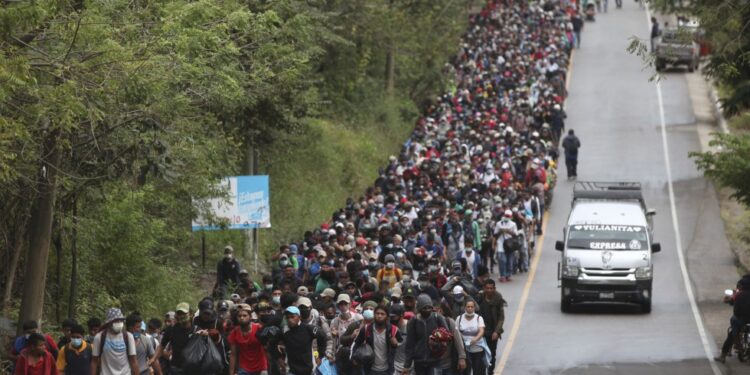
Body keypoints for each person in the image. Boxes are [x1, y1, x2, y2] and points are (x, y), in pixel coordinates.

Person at [402, 294, 454, 375]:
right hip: (419, 361)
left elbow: (449, 337)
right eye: (424, 308)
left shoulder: (438, 318)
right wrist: (407, 365)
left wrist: (439, 339)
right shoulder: (413, 321)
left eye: (429, 307)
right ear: (419, 308)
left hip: (435, 360)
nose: (427, 310)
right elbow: (410, 344)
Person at [352, 305, 403, 375]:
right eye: (377, 313)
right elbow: (357, 344)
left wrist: (396, 344)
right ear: (374, 315)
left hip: (388, 369)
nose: (379, 316)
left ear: (387, 317)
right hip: (369, 369)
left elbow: (402, 346)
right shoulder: (366, 329)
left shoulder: (394, 330)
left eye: (382, 314)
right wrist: (354, 358)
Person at [279, 306, 327, 375]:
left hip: (308, 370)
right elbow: (273, 342)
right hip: (291, 370)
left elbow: (322, 336)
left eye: (292, 317)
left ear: (299, 317)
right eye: (287, 317)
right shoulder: (285, 331)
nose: (290, 320)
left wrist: (320, 355)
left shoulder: (307, 328)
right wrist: (279, 358)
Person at [90, 308, 138, 375]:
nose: (119, 323)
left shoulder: (128, 337)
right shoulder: (99, 337)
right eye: (116, 321)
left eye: (120, 321)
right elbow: (94, 361)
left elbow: (133, 361)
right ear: (109, 323)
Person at [715, 277, 750, 363]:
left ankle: (723, 355)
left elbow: (734, 307)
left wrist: (727, 300)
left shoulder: (739, 295)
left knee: (732, 329)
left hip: (742, 320)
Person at [228, 306, 268, 375]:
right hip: (244, 368)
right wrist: (231, 373)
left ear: (250, 317)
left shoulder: (259, 328)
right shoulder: (234, 333)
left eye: (244, 315)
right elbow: (233, 354)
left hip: (261, 367)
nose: (242, 318)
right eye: (239, 316)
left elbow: (267, 347)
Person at [155, 303, 193, 375]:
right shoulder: (172, 329)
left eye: (184, 313)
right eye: (179, 313)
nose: (181, 316)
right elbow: (162, 345)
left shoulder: (196, 330)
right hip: (176, 368)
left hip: (191, 369)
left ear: (190, 314)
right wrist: (154, 358)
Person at [478, 279, 506, 374]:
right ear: (484, 288)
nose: (489, 290)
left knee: (491, 354)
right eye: (487, 288)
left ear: (494, 288)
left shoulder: (498, 299)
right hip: (480, 332)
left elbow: (501, 317)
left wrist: (497, 331)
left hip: (492, 332)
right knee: (480, 354)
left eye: (491, 288)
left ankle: (490, 372)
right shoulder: (479, 297)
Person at [456, 300, 487, 375]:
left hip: (477, 348)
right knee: (465, 370)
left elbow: (481, 330)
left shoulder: (479, 318)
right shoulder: (459, 318)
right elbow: (456, 332)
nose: (470, 308)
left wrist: (476, 338)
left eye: (471, 307)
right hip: (464, 349)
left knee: (477, 370)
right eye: (468, 306)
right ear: (465, 308)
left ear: (474, 308)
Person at [494, 210, 519, 282]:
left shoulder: (513, 224)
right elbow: (495, 234)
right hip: (501, 244)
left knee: (509, 260)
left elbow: (516, 235)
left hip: (510, 244)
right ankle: (502, 275)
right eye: (506, 216)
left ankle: (508, 275)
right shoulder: (499, 224)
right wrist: (500, 231)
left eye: (508, 216)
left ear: (511, 217)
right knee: (502, 260)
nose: (507, 217)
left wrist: (508, 231)